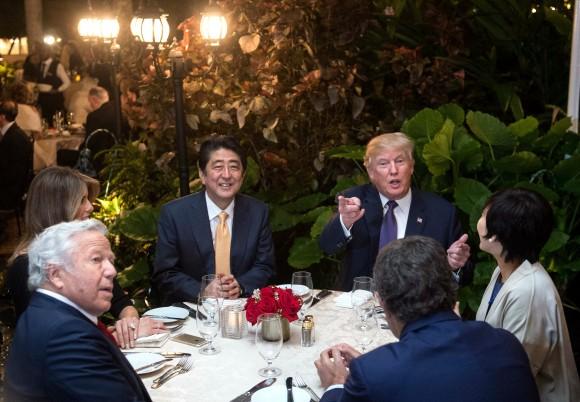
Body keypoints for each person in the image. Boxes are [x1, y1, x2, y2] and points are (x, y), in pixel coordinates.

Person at [315, 236, 540, 402]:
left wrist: (336, 385)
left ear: (383, 302)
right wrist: (374, 366)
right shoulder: (505, 343)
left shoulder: (372, 373)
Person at [6, 166, 164, 348]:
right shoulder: (27, 266)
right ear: (57, 207)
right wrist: (113, 337)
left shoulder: (79, 252)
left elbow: (121, 303)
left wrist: (128, 326)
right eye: (82, 200)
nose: (90, 206)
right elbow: (55, 343)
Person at [4, 219, 152, 401]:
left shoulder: (46, 313)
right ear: (55, 274)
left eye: (110, 261)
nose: (112, 271)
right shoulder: (65, 335)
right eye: (96, 259)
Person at [319, 132, 472, 291]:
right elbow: (326, 246)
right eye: (383, 164)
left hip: (417, 309)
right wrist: (345, 221)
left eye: (400, 161)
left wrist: (454, 265)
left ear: (411, 166)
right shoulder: (353, 201)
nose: (393, 170)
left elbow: (466, 274)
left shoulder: (441, 212)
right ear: (371, 172)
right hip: (359, 307)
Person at [475, 188, 580, 402]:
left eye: (486, 215)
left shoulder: (528, 293)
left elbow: (514, 375)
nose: (480, 220)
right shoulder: (503, 270)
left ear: (500, 234)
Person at [153, 135, 275, 305]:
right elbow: (165, 273)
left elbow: (265, 267)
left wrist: (239, 286)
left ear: (243, 175)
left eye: (234, 167)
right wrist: (202, 290)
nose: (226, 175)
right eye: (218, 167)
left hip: (242, 310)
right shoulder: (174, 214)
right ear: (202, 175)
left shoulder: (257, 212)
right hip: (194, 311)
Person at [0, 100, 33, 239]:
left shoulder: (15, 139)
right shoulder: (14, 134)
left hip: (11, 191)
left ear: (1, 117)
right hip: (11, 186)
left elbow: (13, 175)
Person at [36, 44, 71, 122]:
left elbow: (67, 82)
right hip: (43, 98)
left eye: (43, 51)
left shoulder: (57, 65)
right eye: (40, 52)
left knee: (57, 120)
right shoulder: (39, 65)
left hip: (55, 99)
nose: (41, 54)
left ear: (48, 52)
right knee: (45, 120)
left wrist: (58, 90)